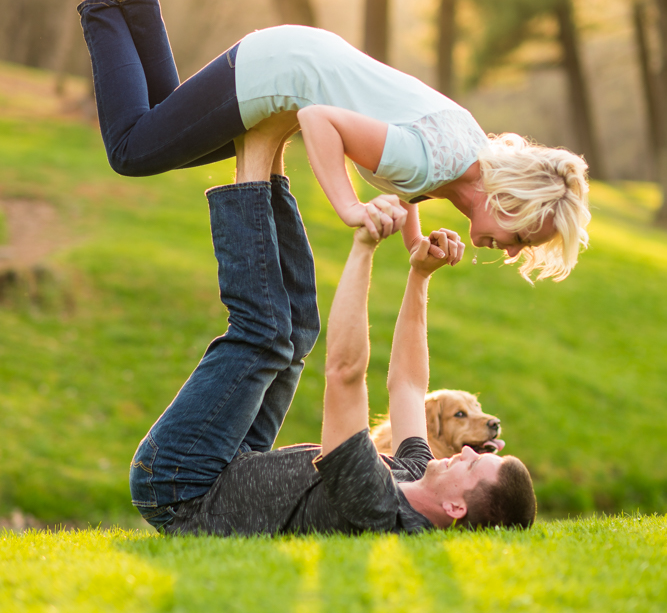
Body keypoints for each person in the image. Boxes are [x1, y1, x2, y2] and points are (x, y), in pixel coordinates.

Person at [30, 0, 590, 281]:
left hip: (294, 56)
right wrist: (349, 208)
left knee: (165, 122)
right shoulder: (429, 164)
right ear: (509, 201)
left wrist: (416, 241)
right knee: (133, 149)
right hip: (281, 75)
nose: (511, 252)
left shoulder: (463, 150)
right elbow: (321, 123)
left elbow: (407, 167)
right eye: (522, 238)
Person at [128, 123, 536, 535]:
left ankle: (254, 153)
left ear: (455, 507)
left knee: (263, 333)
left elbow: (344, 373)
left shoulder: (375, 505)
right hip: (234, 462)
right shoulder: (415, 474)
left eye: (472, 466)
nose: (465, 453)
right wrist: (419, 275)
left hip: (183, 484)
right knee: (299, 330)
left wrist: (365, 247)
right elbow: (409, 386)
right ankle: (270, 153)